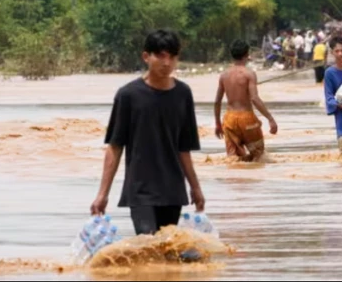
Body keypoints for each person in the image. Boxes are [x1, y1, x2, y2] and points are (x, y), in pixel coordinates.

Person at [91, 30, 205, 236]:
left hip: (173, 190)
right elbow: (115, 147)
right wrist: (102, 194)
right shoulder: (128, 95)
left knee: (166, 250)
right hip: (140, 189)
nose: (166, 62)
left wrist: (195, 187)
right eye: (160, 56)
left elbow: (183, 148)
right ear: (146, 57)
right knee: (146, 242)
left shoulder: (183, 94)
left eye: (172, 56)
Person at [215, 41, 278, 162]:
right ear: (246, 54)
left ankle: (236, 178)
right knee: (259, 156)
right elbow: (254, 98)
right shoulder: (249, 74)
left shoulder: (224, 75)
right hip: (247, 118)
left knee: (233, 158)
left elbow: (217, 101)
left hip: (229, 120)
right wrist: (270, 118)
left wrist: (218, 123)